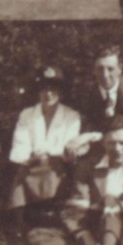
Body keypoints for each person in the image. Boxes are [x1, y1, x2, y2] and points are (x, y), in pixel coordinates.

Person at [62, 116, 123, 245]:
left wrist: (114, 205)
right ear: (103, 143)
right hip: (93, 225)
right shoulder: (87, 166)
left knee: (109, 200)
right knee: (38, 238)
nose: (117, 149)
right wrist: (84, 235)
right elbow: (76, 207)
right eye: (111, 143)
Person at [8, 67, 82, 233]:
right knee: (22, 171)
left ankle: (47, 222)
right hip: (31, 162)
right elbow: (19, 144)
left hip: (59, 164)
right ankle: (20, 225)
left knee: (50, 168)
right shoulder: (27, 114)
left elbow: (68, 146)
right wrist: (31, 156)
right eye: (44, 89)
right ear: (38, 92)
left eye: (53, 89)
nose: (48, 94)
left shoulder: (71, 116)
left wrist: (45, 153)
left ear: (61, 93)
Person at [67, 45, 123, 155]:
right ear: (94, 70)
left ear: (120, 68)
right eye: (100, 69)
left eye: (110, 69)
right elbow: (87, 126)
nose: (105, 74)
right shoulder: (86, 92)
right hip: (98, 148)